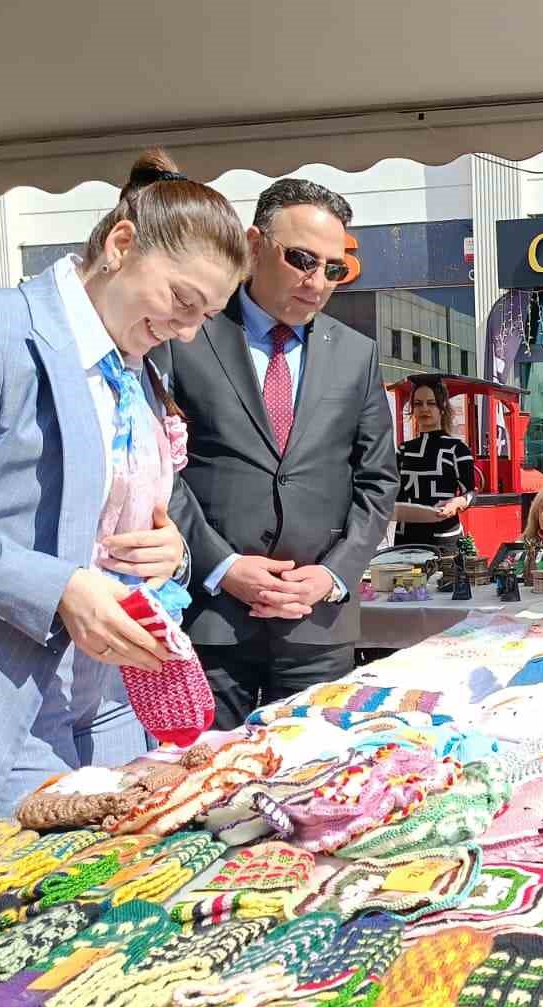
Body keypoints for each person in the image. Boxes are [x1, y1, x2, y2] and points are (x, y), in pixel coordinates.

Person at [0, 149, 246, 848]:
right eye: (183, 302)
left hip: (109, 698)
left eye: (204, 316)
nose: (187, 330)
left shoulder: (137, 368)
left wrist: (170, 552)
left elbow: (121, 510)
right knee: (2, 907)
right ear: (121, 245)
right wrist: (59, 587)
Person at [158, 177, 399, 731]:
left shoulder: (356, 354)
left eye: (334, 269)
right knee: (204, 776)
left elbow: (378, 480)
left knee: (315, 772)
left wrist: (333, 575)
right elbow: (158, 470)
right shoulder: (187, 334)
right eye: (302, 260)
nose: (317, 283)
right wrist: (223, 566)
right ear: (254, 245)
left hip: (317, 625)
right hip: (210, 618)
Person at [395, 376, 476, 548]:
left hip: (444, 539)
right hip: (405, 539)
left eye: (431, 403)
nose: (424, 409)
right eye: (418, 404)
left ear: (442, 406)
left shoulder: (458, 449)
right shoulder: (403, 450)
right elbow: (392, 491)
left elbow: (470, 494)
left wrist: (457, 503)